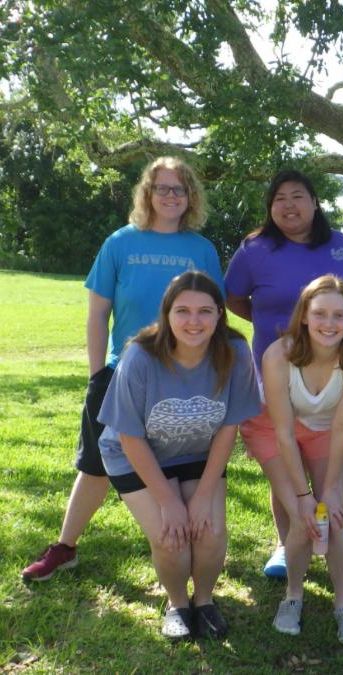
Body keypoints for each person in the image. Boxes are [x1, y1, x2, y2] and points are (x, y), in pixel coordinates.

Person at [22, 157, 223, 583]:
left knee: (178, 462)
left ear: (190, 197)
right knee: (96, 463)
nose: (171, 196)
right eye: (162, 188)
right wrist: (99, 374)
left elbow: (213, 314)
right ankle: (65, 547)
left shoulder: (201, 249)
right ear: (147, 193)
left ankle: (186, 544)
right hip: (122, 373)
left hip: (184, 376)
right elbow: (98, 314)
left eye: (179, 189)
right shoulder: (120, 243)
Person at [224, 169, 343, 579]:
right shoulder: (254, 249)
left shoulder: (341, 245)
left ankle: (337, 530)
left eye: (297, 196)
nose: (288, 205)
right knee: (286, 456)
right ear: (270, 207)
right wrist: (280, 328)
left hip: (332, 377)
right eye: (279, 198)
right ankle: (288, 538)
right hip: (276, 374)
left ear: (314, 203)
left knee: (331, 460)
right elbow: (234, 298)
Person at [97, 272, 260, 640]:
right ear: (166, 313)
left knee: (210, 531)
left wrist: (202, 496)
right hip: (134, 453)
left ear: (220, 314)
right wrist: (168, 501)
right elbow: (130, 436)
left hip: (198, 450)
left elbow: (228, 426)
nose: (193, 321)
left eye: (205, 311)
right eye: (182, 311)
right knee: (171, 537)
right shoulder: (141, 355)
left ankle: (204, 601)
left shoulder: (235, 351)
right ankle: (177, 603)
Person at [263, 275, 343, 645]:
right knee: (303, 517)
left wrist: (328, 491)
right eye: (320, 314)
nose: (329, 324)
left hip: (327, 431)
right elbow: (282, 432)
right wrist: (303, 494)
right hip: (276, 430)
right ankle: (293, 596)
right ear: (304, 316)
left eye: (339, 315)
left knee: (334, 517)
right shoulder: (278, 355)